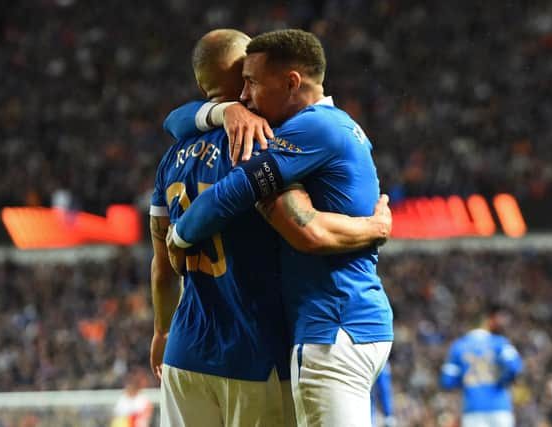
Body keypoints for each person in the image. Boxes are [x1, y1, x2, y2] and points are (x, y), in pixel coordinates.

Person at [150, 29, 393, 427]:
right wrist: (373, 228)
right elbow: (304, 226)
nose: (246, 94)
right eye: (244, 81)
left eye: (254, 81)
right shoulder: (266, 138)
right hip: (256, 354)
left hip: (185, 350)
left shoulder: (174, 156)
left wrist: (162, 328)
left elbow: (163, 264)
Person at [440, 304, 524, 427]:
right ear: (485, 322)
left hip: (473, 408)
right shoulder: (499, 342)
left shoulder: (458, 346)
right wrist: (502, 381)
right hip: (500, 407)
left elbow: (447, 381)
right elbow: (515, 367)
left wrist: (466, 384)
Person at [371, 362, 395, 427]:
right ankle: (371, 419)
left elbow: (385, 390)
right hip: (366, 362)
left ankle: (388, 416)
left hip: (380, 361)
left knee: (384, 387)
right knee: (369, 393)